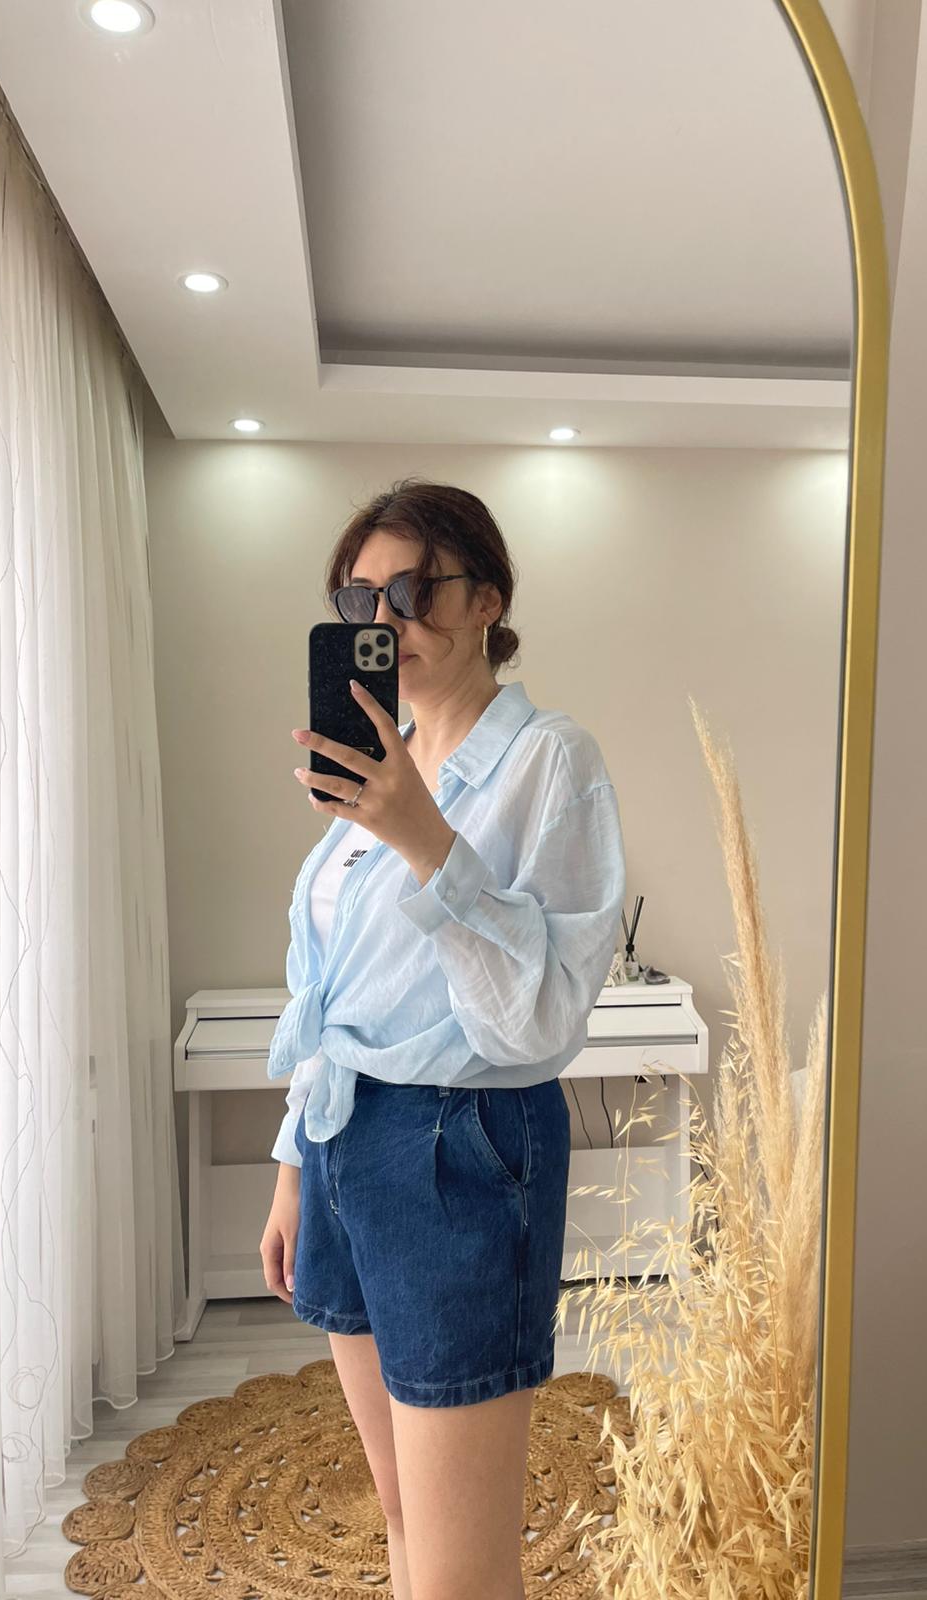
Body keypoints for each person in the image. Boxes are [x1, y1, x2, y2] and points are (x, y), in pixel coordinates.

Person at [259, 477, 626, 1597]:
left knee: (464, 1564)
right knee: (399, 1509)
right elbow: (328, 980)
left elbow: (542, 1015)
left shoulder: (549, 761)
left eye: (414, 590)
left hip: (459, 1146)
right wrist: (293, 1164)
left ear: (487, 602)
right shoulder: (379, 763)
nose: (386, 619)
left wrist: (426, 839)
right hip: (343, 1136)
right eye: (359, 597)